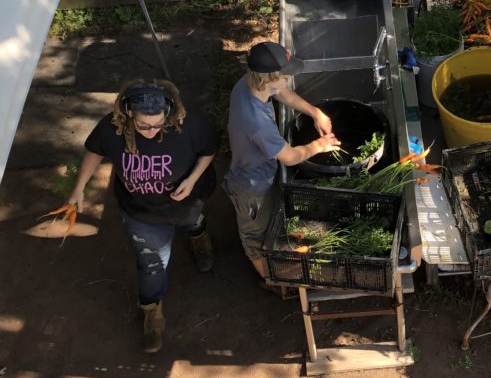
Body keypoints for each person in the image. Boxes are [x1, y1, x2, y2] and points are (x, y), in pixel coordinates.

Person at [67, 79, 218, 354]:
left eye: (158, 124)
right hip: (142, 212)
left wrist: (193, 179)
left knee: (193, 222)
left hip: (186, 202)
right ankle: (152, 310)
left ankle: (199, 237)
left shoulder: (190, 125)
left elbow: (209, 151)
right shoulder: (111, 129)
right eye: (143, 125)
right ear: (128, 114)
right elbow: (93, 151)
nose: (151, 131)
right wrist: (78, 188)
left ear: (169, 113)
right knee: (152, 264)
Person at [224, 41, 340, 287]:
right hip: (251, 187)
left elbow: (282, 92)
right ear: (269, 78)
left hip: (263, 170)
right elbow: (290, 157)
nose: (289, 79)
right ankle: (269, 279)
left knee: (270, 218)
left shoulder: (248, 84)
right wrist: (320, 146)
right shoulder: (256, 122)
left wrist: (315, 112)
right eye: (286, 75)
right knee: (254, 237)